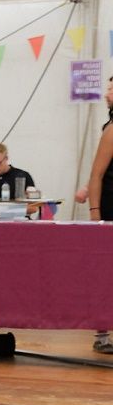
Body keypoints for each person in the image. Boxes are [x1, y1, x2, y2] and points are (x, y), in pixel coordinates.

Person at [82, 77, 113, 352]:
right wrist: (95, 215)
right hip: (110, 212)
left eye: (112, 88)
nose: (107, 93)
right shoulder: (112, 129)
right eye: (108, 87)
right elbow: (97, 175)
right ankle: (102, 335)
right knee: (107, 274)